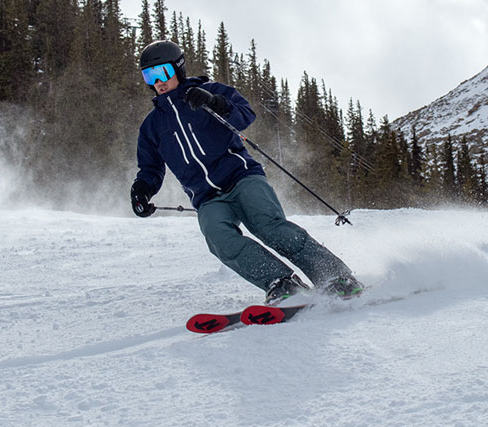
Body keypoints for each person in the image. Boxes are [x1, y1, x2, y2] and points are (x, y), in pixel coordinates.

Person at [130, 40, 362, 303]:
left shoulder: (209, 92)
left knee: (270, 227)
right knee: (220, 240)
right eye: (149, 76)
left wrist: (215, 102)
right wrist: (142, 190)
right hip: (206, 198)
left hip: (242, 177)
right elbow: (150, 167)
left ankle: (335, 276)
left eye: (162, 72)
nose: (157, 82)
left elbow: (245, 114)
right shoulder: (151, 126)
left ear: (178, 69)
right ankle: (282, 283)